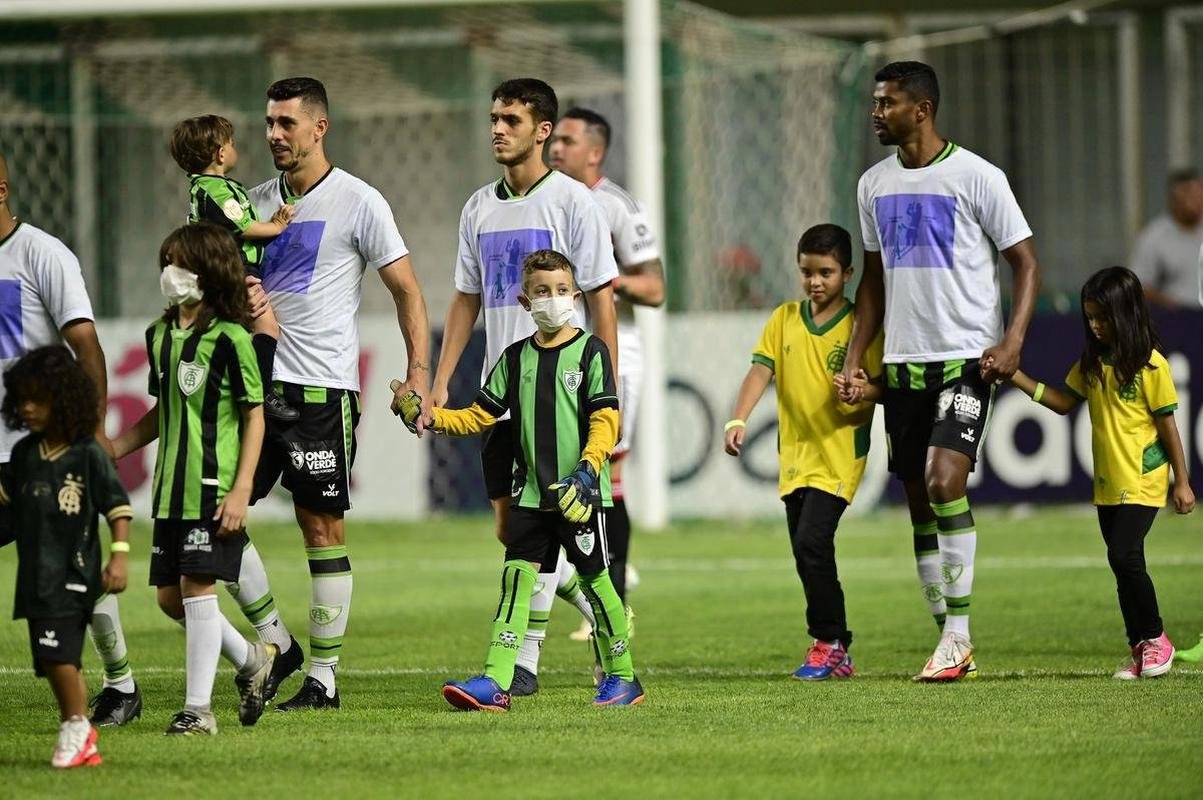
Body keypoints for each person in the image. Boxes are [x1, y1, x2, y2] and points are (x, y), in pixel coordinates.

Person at [840, 61, 1042, 681]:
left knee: (944, 481)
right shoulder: (873, 184)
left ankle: (957, 636)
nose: (876, 113)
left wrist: (1011, 341)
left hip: (965, 360)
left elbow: (1027, 264)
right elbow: (872, 283)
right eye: (875, 103)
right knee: (919, 503)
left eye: (887, 103)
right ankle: (949, 638)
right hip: (901, 365)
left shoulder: (978, 176)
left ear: (921, 110)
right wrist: (854, 357)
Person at [246, 77, 431, 710]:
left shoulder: (359, 201)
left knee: (320, 527)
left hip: (321, 390)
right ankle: (277, 642)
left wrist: (420, 374)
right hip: (255, 385)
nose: (274, 134)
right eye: (269, 122)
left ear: (319, 128)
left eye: (286, 124)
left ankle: (322, 678)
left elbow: (407, 290)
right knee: (215, 514)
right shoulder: (254, 204)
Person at [432, 78, 619, 696]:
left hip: (562, 397)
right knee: (514, 530)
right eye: (493, 117)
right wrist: (437, 386)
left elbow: (602, 300)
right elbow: (465, 301)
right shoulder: (477, 207)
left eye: (510, 119)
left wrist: (608, 392)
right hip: (501, 393)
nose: (497, 129)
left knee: (535, 534)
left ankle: (523, 664)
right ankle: (594, 611)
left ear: (542, 131)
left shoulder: (572, 203)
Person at [399, 249, 643, 710]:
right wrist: (432, 419)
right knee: (516, 581)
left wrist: (589, 471)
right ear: (524, 302)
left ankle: (624, 678)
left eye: (561, 291)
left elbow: (607, 418)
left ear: (575, 296)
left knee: (598, 583)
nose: (554, 300)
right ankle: (496, 681)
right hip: (531, 494)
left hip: (580, 495)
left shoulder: (591, 352)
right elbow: (481, 415)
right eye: (542, 292)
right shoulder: (513, 358)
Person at [112, 224, 279, 734]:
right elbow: (165, 412)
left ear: (208, 273)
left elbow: (254, 415)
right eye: (167, 263)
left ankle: (197, 711)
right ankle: (253, 660)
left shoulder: (231, 340)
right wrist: (114, 447)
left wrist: (242, 487)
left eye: (180, 265)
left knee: (197, 588)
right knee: (170, 600)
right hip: (170, 492)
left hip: (213, 489)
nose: (170, 274)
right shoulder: (159, 337)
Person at [0, 151, 147, 726]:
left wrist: (91, 435)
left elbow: (86, 347)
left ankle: (121, 685)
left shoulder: (42, 255)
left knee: (71, 570)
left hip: (46, 450)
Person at [1010, 268, 1194, 676]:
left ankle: (1157, 639)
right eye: (1089, 317)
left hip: (1143, 479)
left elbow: (1168, 426)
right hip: (1108, 482)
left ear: (1125, 313)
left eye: (1102, 317)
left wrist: (1181, 481)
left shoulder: (1151, 365)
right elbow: (1061, 402)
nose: (1094, 325)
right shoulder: (1092, 363)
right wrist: (1016, 377)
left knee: (1123, 554)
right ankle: (1139, 648)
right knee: (1121, 564)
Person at [724, 225, 881, 680]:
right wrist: (738, 418)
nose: (815, 281)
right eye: (807, 272)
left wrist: (862, 391)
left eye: (826, 273)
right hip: (795, 456)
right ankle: (835, 647)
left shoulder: (860, 326)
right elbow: (760, 371)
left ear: (847, 273)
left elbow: (884, 387)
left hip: (838, 454)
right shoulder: (784, 318)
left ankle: (830, 642)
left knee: (813, 542)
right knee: (804, 549)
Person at [549, 106, 665, 638]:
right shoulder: (548, 197)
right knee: (562, 466)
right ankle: (596, 583)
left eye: (567, 140)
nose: (556, 148)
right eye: (555, 140)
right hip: (559, 346)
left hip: (615, 345)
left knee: (604, 470)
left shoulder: (617, 206)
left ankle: (611, 597)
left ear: (594, 150)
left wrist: (603, 282)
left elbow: (656, 287)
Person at [0, 346, 133, 767]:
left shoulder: (86, 454)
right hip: (34, 576)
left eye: (38, 399)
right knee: (49, 657)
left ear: (64, 399)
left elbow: (118, 507)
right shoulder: (24, 455)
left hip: (74, 573)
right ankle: (80, 731)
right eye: (23, 400)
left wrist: (119, 557)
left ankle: (76, 727)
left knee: (58, 654)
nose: (29, 408)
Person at [170, 114, 299, 422]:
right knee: (266, 327)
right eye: (230, 142)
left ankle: (235, 387)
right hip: (237, 271)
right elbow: (243, 226)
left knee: (237, 332)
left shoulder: (205, 188)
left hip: (228, 271)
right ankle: (260, 393)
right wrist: (277, 226)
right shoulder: (215, 190)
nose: (233, 146)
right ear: (220, 153)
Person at [1129, 168, 1203, 310]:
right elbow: (1139, 286)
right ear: (1174, 199)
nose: (1197, 201)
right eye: (1189, 195)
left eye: (1199, 194)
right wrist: (1169, 304)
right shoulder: (1154, 237)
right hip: (1176, 317)